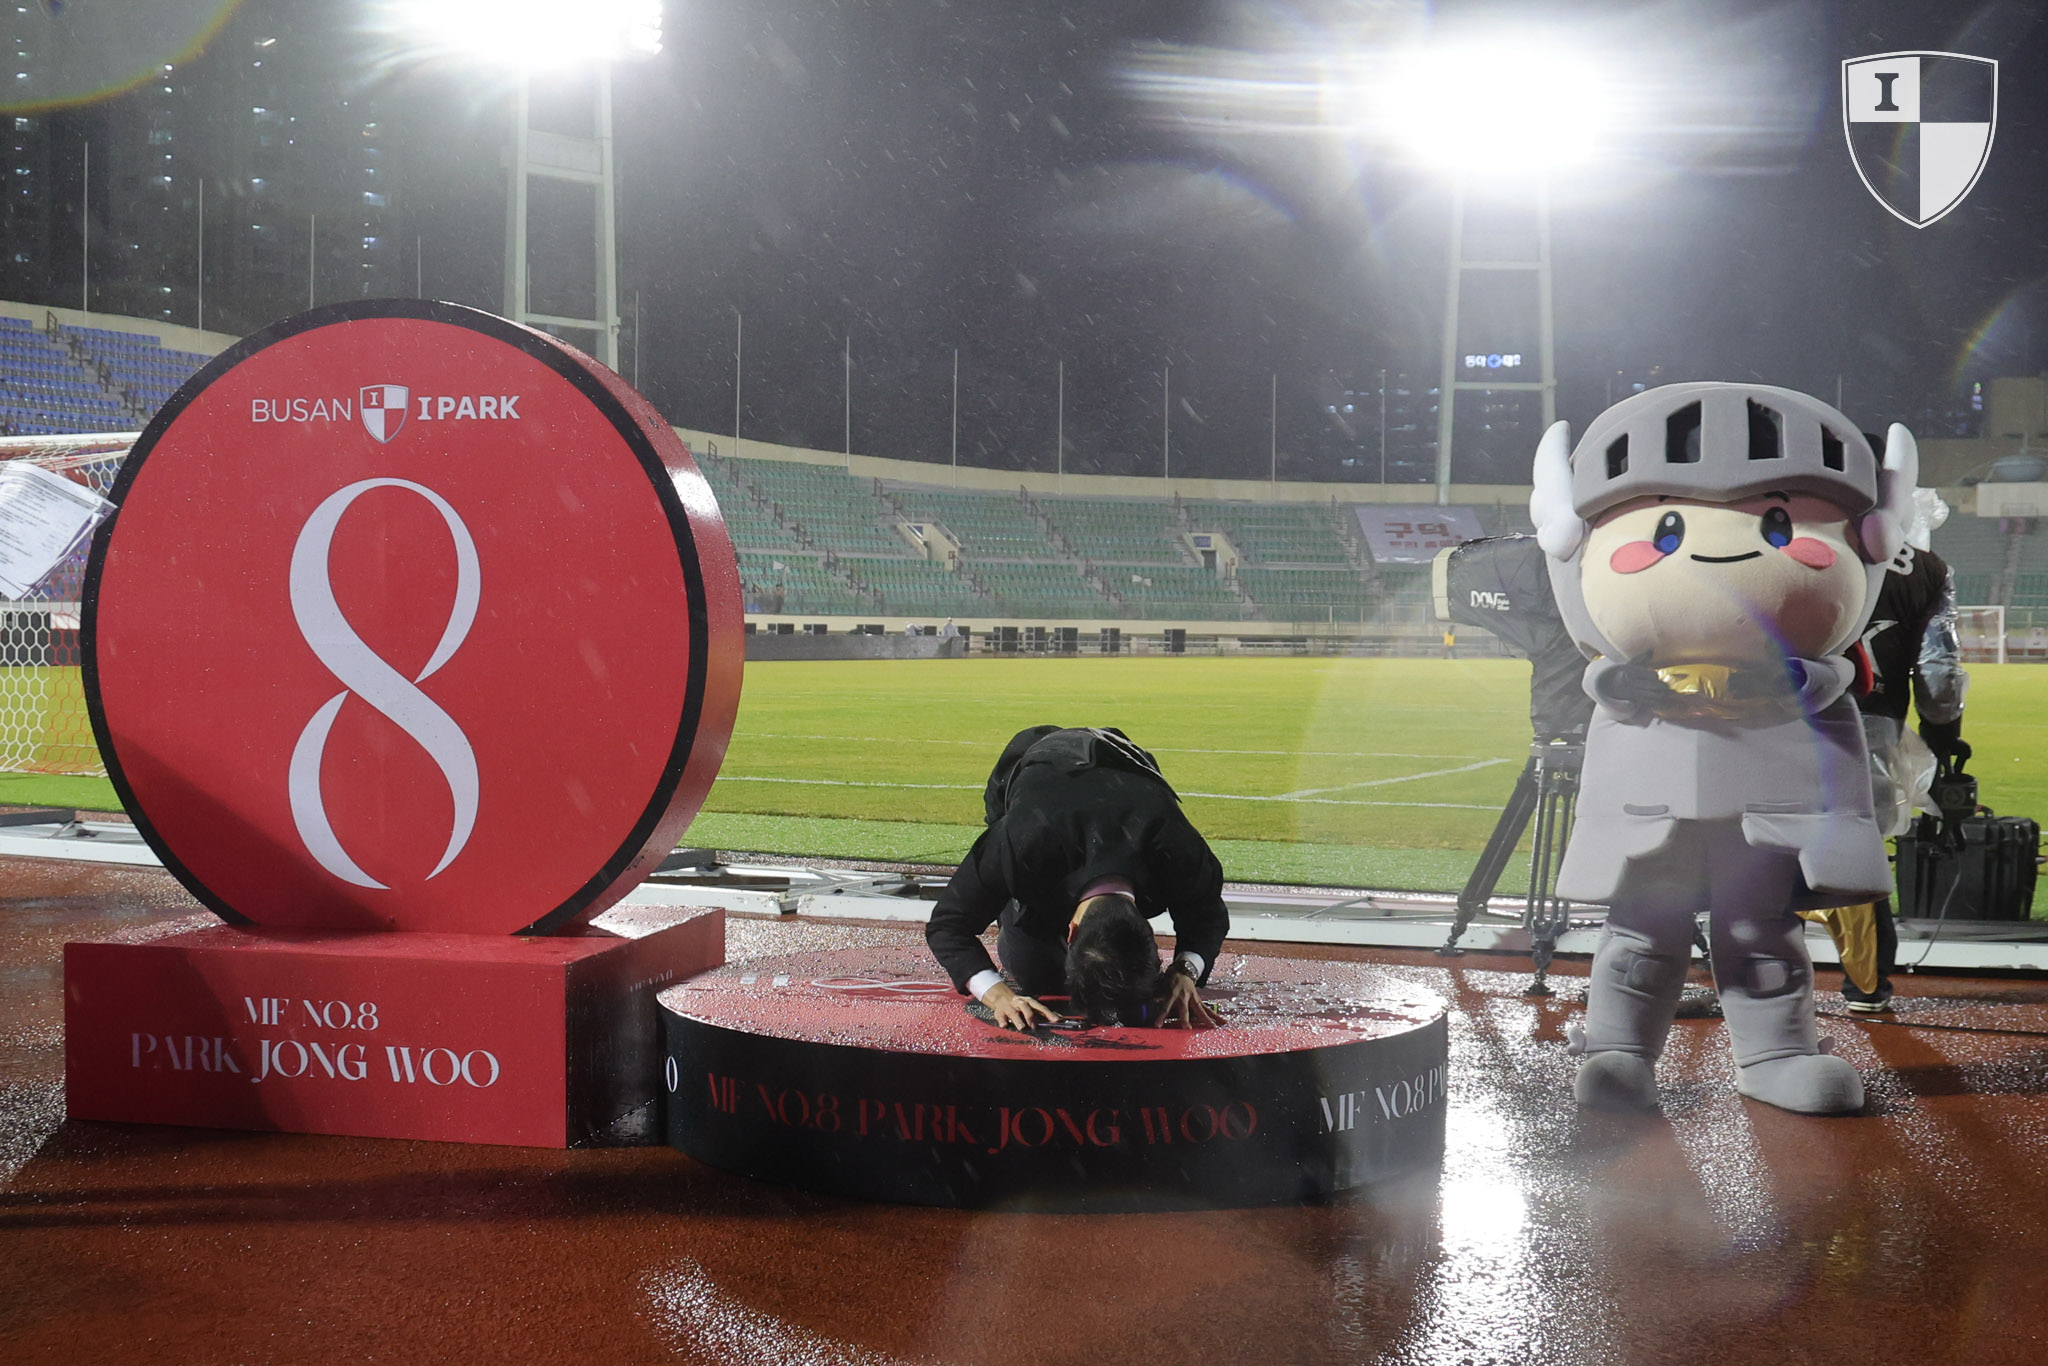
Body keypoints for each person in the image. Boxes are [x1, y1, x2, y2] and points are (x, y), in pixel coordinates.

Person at [925, 725, 1227, 1030]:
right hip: (1034, 768)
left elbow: (1208, 916)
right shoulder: (1020, 842)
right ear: (1070, 932)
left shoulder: (1176, 845)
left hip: (1124, 765)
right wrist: (997, 994)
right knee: (1038, 974)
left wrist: (1185, 971)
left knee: (1131, 986)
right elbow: (948, 925)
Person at [1823, 487, 1968, 1012]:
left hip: (1776, 719)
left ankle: (1759, 979)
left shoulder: (1794, 531)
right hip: (1872, 723)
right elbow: (1938, 670)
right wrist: (1943, 734)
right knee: (1856, 849)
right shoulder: (1925, 568)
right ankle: (1865, 982)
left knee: (1757, 845)